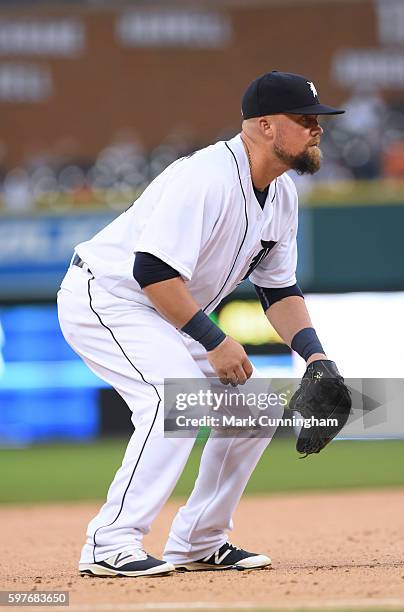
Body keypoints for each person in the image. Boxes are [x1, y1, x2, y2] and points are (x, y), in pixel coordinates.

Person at [57, 70, 344, 578]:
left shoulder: (281, 196)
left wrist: (317, 357)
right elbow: (152, 272)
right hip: (108, 297)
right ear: (264, 126)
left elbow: (279, 291)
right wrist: (214, 340)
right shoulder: (206, 177)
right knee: (175, 399)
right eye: (305, 119)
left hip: (166, 312)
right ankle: (109, 542)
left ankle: (198, 541)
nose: (317, 128)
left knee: (254, 406)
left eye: (318, 120)